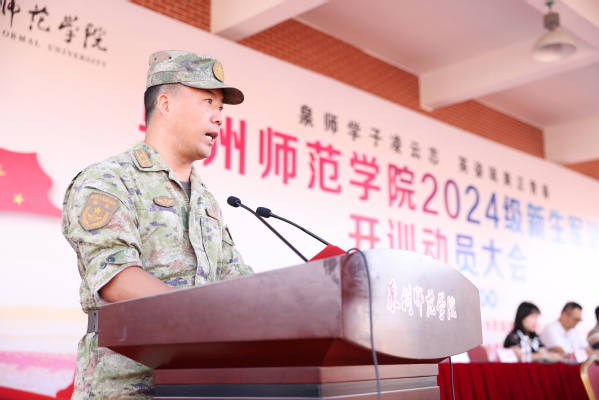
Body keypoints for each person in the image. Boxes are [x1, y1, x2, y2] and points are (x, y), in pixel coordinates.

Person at [62, 50, 253, 399]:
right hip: (125, 386)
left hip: (197, 386)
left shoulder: (206, 201)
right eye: (207, 102)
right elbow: (115, 278)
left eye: (221, 108)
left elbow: (235, 278)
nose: (218, 117)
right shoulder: (108, 180)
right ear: (165, 103)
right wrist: (206, 319)